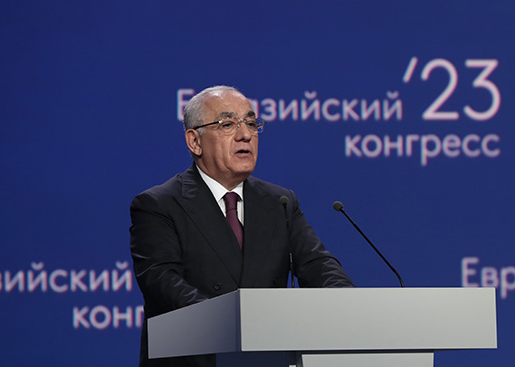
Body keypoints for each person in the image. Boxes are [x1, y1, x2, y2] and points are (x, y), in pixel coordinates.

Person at [129, 85, 354, 367]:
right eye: (228, 124)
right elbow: (164, 284)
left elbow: (318, 265)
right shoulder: (159, 205)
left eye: (251, 123)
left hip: (267, 357)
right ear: (194, 141)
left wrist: (349, 306)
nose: (245, 134)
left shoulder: (279, 202)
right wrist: (233, 325)